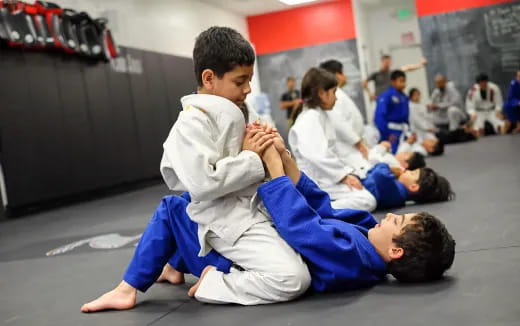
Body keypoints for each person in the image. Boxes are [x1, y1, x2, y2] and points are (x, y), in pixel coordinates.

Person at [79, 133, 455, 313]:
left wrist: (274, 169)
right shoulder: (361, 240)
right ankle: (174, 267)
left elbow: (300, 228)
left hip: (236, 264)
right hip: (263, 244)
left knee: (175, 208)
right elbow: (321, 208)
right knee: (195, 213)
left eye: (398, 221)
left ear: (396, 250)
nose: (390, 215)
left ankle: (129, 287)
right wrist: (284, 155)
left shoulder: (355, 261)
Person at [81, 27, 311, 311]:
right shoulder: (190, 126)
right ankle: (212, 282)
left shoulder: (244, 113)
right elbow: (204, 183)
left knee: (312, 255)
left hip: (254, 213)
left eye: (249, 80)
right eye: (240, 81)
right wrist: (252, 158)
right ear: (209, 78)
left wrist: (274, 147)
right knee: (294, 278)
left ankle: (176, 262)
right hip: (226, 221)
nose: (248, 89)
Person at [289, 68, 377, 211]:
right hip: (317, 182)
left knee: (366, 195)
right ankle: (315, 211)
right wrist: (343, 176)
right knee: (367, 200)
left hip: (327, 178)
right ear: (321, 94)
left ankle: (320, 209)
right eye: (334, 92)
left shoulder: (320, 114)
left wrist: (346, 174)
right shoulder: (309, 118)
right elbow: (318, 156)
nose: (336, 97)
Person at [319, 59, 370, 178]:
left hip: (353, 146)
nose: (345, 76)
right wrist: (357, 142)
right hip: (347, 149)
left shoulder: (339, 94)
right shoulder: (334, 96)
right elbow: (338, 123)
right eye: (343, 73)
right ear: (337, 75)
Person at [361, 163, 453, 210]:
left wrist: (388, 167)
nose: (407, 171)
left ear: (413, 186)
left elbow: (379, 174)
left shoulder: (398, 192)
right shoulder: (397, 190)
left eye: (412, 173)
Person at [363, 55, 427, 101]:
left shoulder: (393, 72)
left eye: (389, 62)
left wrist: (420, 65)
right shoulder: (376, 73)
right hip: (381, 99)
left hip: (392, 98)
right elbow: (364, 83)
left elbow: (407, 68)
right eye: (386, 62)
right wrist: (370, 94)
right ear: (382, 62)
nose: (387, 64)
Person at [374, 70, 409, 154]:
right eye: (400, 81)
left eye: (404, 81)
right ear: (393, 82)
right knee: (392, 156)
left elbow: (406, 117)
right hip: (391, 132)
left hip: (403, 131)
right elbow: (379, 116)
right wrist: (386, 134)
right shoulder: (386, 96)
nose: (403, 84)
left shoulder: (404, 96)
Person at [503, 70, 520, 134]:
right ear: (516, 77)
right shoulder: (514, 83)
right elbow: (511, 96)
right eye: (518, 76)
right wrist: (518, 102)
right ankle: (510, 125)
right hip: (516, 104)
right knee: (508, 105)